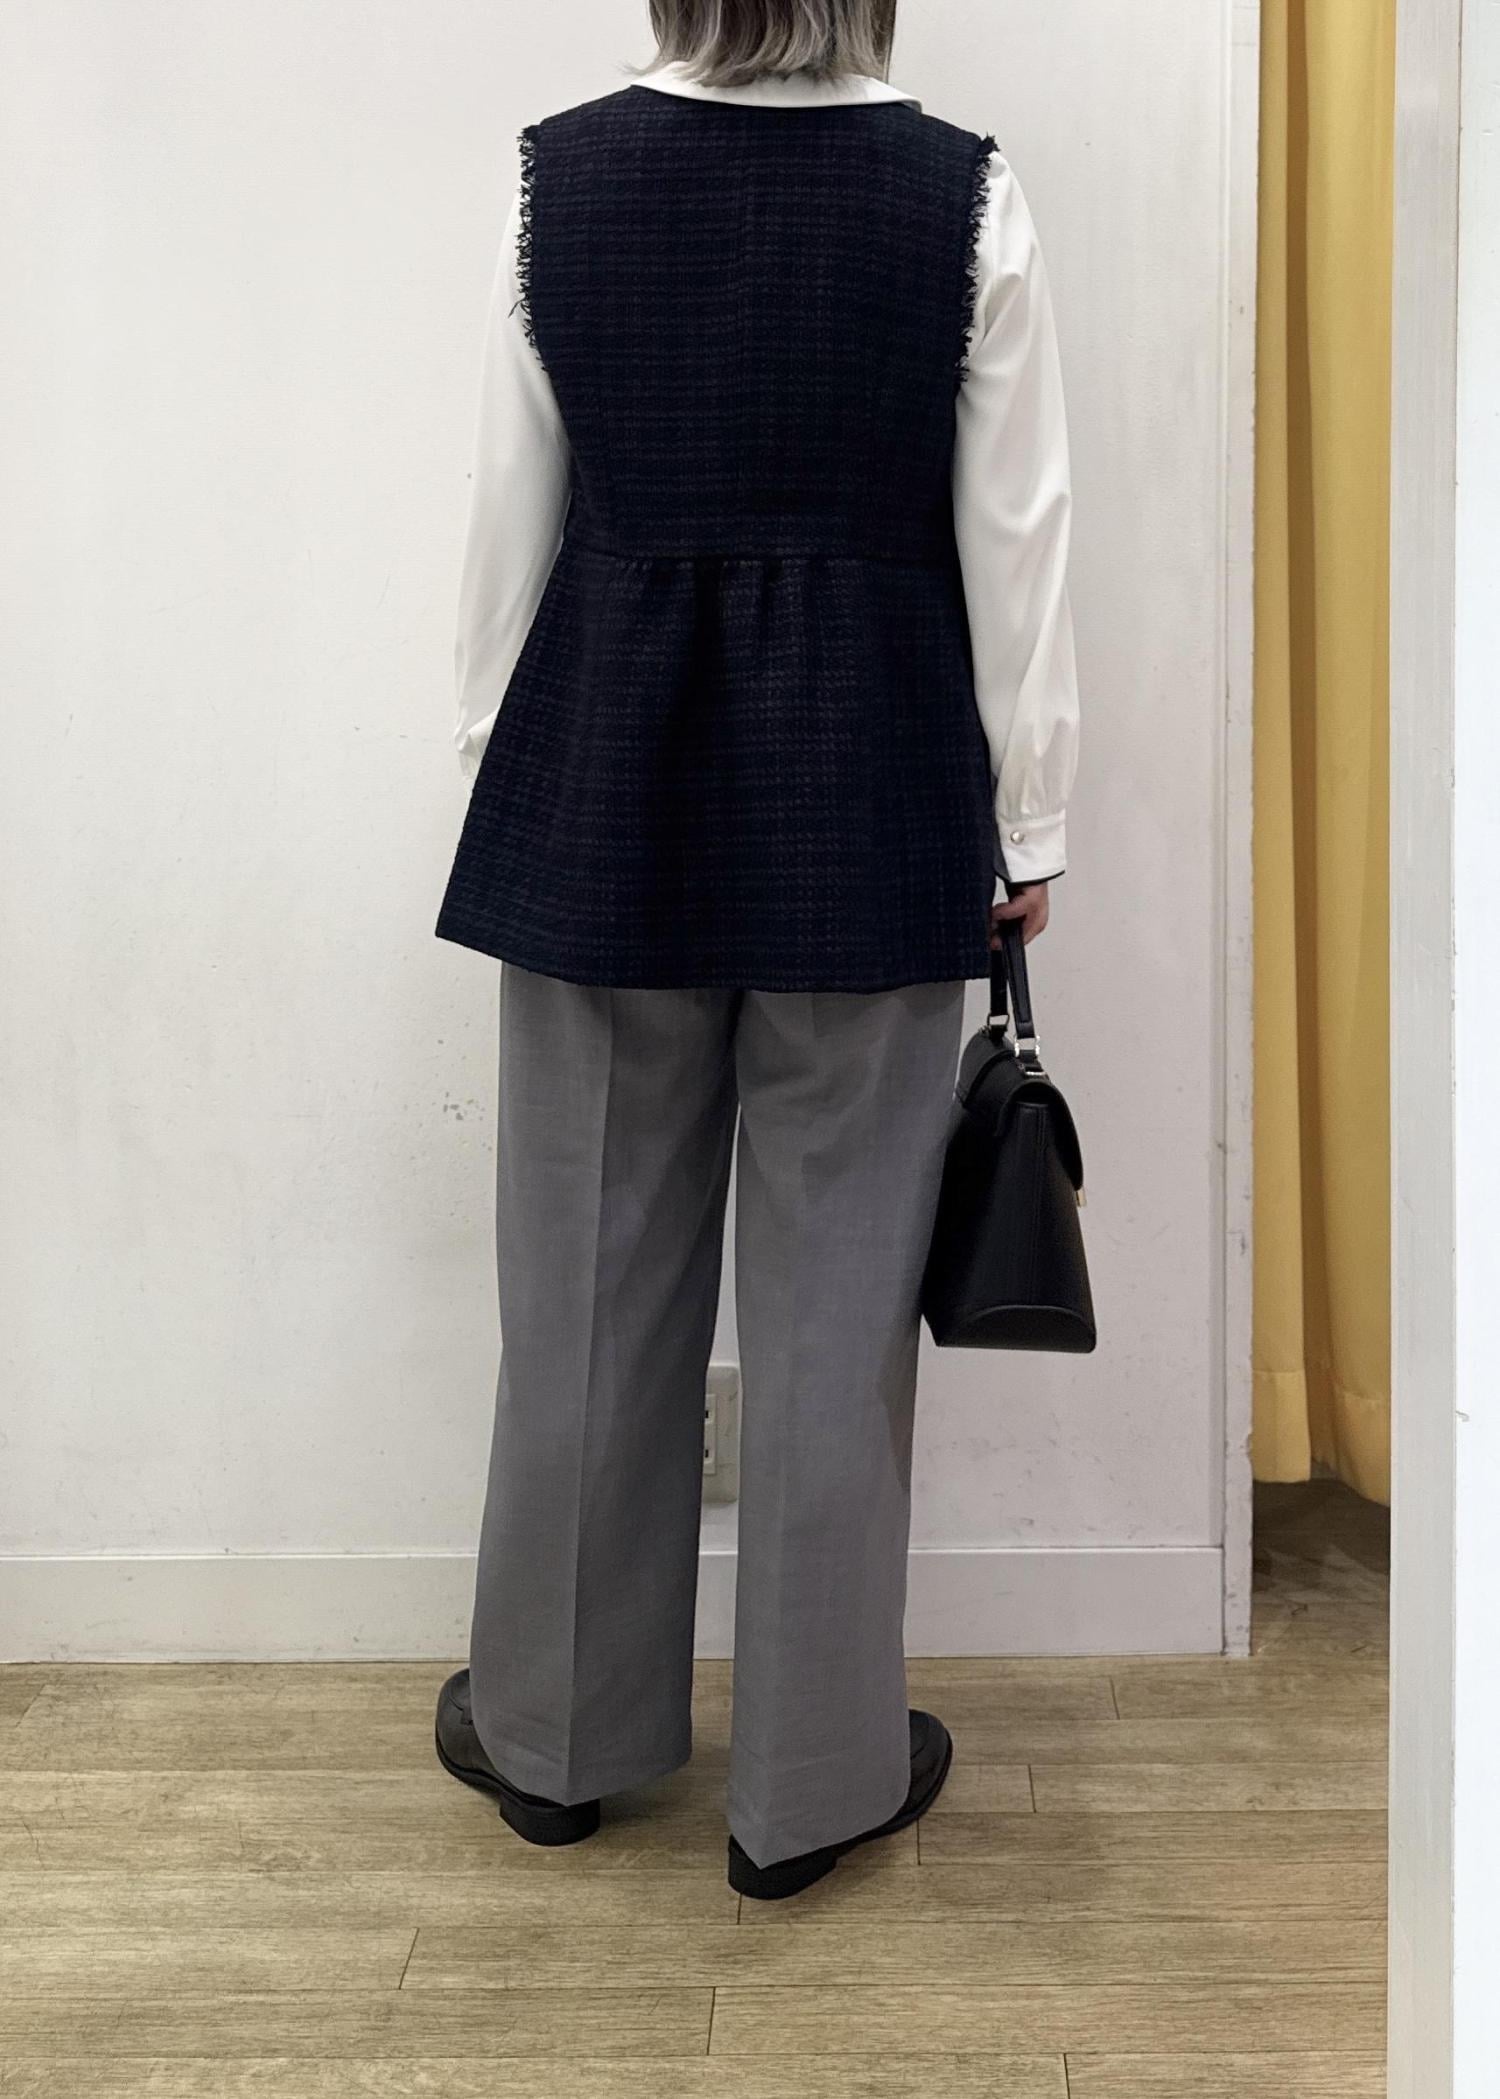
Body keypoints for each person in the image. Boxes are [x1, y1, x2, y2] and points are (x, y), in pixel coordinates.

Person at [431, 0, 1079, 1901]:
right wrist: (1030, 816)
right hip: (873, 780)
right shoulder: (964, 194)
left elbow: (509, 513)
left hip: (600, 775)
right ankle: (811, 1787)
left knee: (582, 1284)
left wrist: (501, 775)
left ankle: (553, 1745)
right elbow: (1019, 535)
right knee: (833, 1311)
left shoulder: (559, 178)